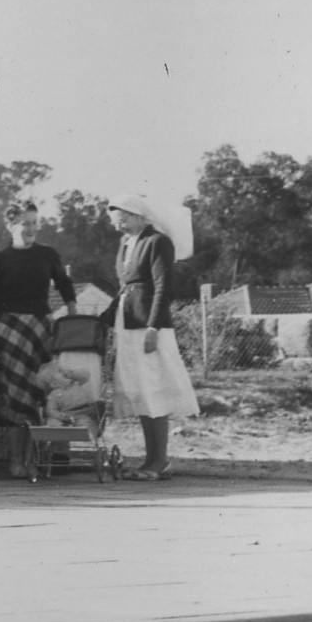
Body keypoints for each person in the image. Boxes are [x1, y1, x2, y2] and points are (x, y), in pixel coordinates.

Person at [0, 195, 79, 477]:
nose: (31, 229)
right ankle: (18, 461)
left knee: (43, 396)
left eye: (34, 223)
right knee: (17, 399)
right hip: (10, 335)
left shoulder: (47, 255)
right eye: (24, 223)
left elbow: (65, 286)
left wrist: (72, 315)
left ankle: (48, 459)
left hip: (42, 334)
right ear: (10, 225)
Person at [103, 196, 199, 478]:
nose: (116, 221)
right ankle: (151, 460)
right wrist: (103, 320)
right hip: (128, 324)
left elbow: (162, 287)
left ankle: (159, 461)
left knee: (155, 390)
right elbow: (125, 288)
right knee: (142, 393)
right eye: (113, 216)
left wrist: (153, 327)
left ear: (136, 215)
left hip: (149, 327)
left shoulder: (158, 242)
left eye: (120, 215)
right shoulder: (125, 244)